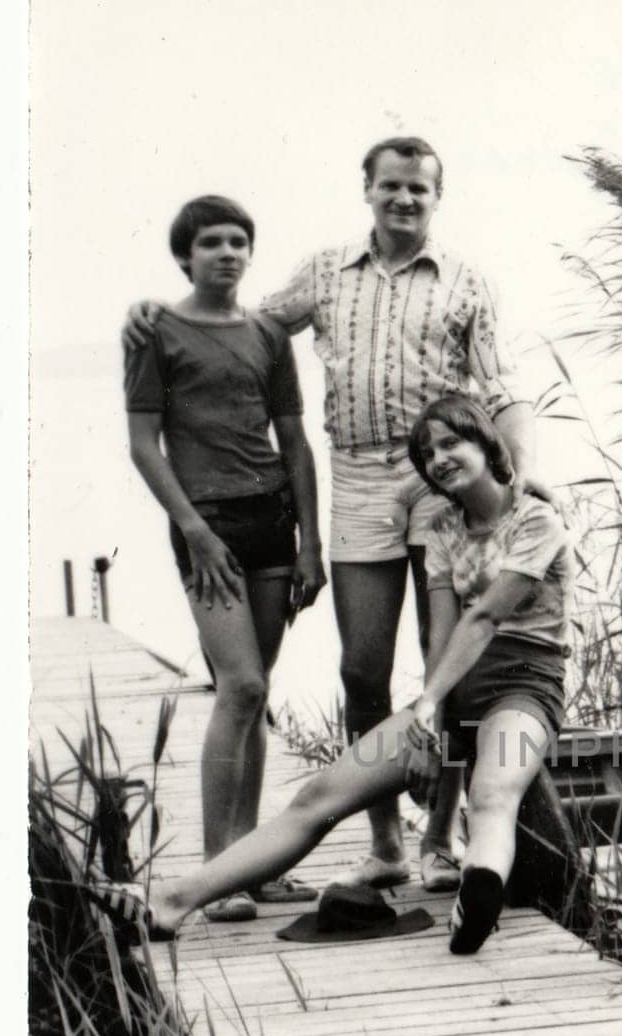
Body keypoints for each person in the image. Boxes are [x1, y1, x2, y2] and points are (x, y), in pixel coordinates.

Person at [124, 136, 547, 896]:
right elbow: (241, 328)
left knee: (445, 656)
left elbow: (504, 384)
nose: (404, 200)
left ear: (436, 196)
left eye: (419, 189)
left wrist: (524, 475)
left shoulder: (467, 281)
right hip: (353, 475)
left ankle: (441, 840)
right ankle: (386, 839)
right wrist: (155, 310)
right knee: (361, 667)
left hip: (436, 480)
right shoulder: (326, 271)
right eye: (391, 186)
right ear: (368, 190)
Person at [97, 394, 573, 957]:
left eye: (452, 442)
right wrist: (433, 722)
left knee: (495, 791)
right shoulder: (444, 530)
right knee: (319, 797)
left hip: (523, 689)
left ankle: (478, 899)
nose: (440, 458)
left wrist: (431, 709)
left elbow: (486, 616)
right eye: (427, 453)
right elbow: (440, 636)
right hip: (454, 690)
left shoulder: (537, 516)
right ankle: (170, 903)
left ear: (486, 443)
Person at [124, 194, 327, 923]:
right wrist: (194, 528)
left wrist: (312, 542)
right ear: (186, 256)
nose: (227, 253)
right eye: (211, 242)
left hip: (273, 518)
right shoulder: (155, 331)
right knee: (237, 686)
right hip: (205, 524)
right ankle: (216, 874)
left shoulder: (271, 333)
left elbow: (295, 441)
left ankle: (254, 869)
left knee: (257, 692)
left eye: (239, 241)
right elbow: (145, 445)